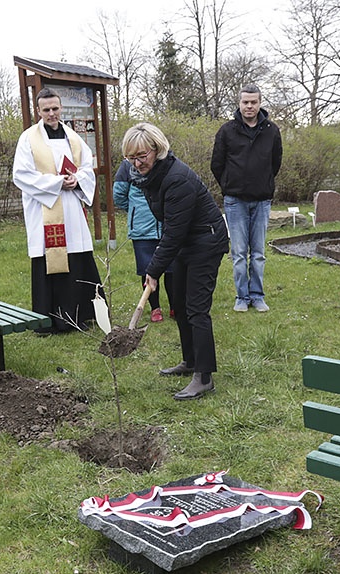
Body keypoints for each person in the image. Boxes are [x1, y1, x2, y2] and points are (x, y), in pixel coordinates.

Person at [121, 123, 229, 400]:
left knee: (196, 309)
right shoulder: (146, 176)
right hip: (184, 243)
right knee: (178, 304)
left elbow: (173, 232)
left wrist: (153, 270)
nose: (137, 162)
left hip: (206, 241)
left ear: (157, 150)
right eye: (131, 156)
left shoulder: (177, 178)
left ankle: (204, 377)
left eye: (142, 155)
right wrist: (156, 268)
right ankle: (190, 361)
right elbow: (172, 230)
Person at [12, 88, 102, 333]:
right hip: (46, 209)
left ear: (61, 108)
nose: (52, 114)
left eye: (55, 108)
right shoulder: (28, 138)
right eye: (46, 110)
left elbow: (86, 166)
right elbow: (21, 175)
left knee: (77, 258)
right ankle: (50, 319)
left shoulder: (73, 137)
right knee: (51, 260)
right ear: (38, 111)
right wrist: (56, 183)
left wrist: (77, 180)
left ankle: (80, 314)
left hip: (71, 207)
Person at [210, 83, 283, 313]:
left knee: (259, 253)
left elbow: (276, 162)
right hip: (235, 201)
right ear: (239, 103)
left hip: (261, 201)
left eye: (253, 102)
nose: (249, 106)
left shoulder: (271, 130)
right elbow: (217, 164)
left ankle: (258, 295)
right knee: (239, 253)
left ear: (260, 103)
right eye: (245, 102)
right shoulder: (227, 131)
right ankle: (242, 297)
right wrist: (230, 186)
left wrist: (264, 184)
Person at [113, 158, 174, 322]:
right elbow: (118, 195)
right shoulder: (126, 165)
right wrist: (134, 209)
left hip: (165, 226)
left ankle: (175, 306)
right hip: (141, 228)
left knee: (172, 269)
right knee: (147, 269)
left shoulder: (163, 160)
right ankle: (155, 308)